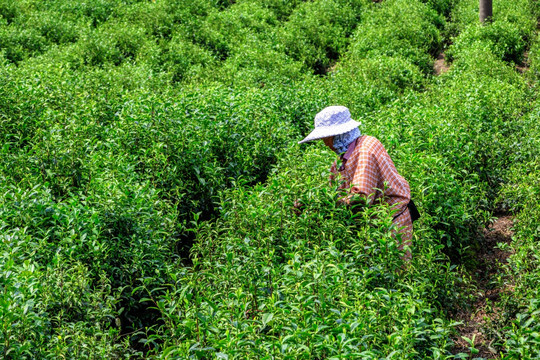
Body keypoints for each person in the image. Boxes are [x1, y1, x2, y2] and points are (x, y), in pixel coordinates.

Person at [298, 105, 412, 260]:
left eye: (326, 138)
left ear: (339, 135)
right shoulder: (351, 152)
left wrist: (318, 204)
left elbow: (360, 200)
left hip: (391, 225)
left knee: (395, 273)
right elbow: (335, 189)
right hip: (376, 224)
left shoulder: (364, 152)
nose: (325, 144)